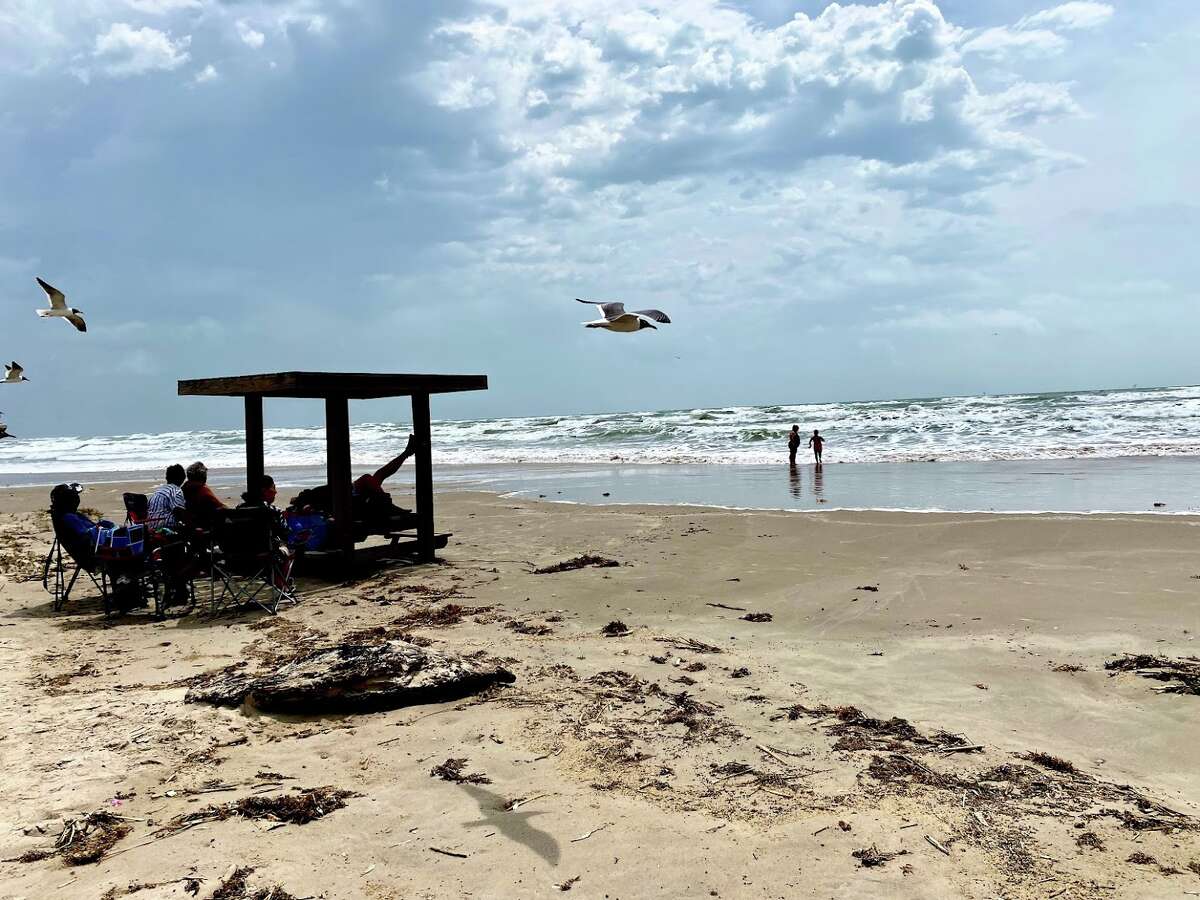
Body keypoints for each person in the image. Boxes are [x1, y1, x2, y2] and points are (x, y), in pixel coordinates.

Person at [237, 474, 295, 587]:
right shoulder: (273, 511)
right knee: (287, 547)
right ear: (264, 490)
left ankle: (279, 581)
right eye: (273, 488)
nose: (276, 492)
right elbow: (285, 532)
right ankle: (282, 584)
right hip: (264, 558)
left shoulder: (238, 511)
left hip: (237, 560)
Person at [182, 461, 226, 527]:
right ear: (203, 477)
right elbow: (222, 507)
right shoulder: (203, 490)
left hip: (189, 522)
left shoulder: (184, 488)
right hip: (203, 524)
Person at [147, 464, 187, 531]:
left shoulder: (157, 491)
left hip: (151, 527)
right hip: (166, 527)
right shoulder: (176, 491)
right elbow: (179, 512)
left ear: (167, 478)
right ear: (182, 478)